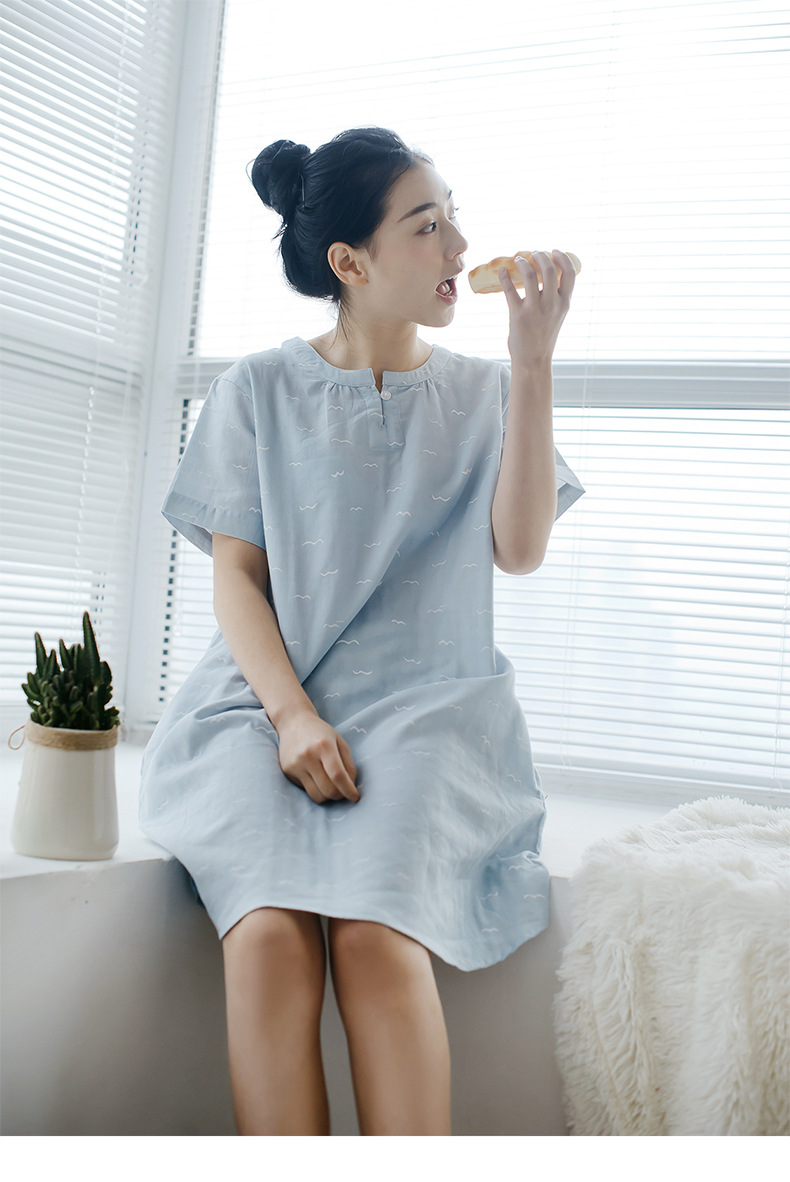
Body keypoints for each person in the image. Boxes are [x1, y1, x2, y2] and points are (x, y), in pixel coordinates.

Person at [138, 126, 585, 1136]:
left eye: (454, 218)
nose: (459, 246)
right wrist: (292, 716)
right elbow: (236, 580)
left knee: (378, 938)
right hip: (259, 706)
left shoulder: (485, 392)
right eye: (427, 226)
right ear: (350, 262)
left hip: (431, 707)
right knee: (265, 940)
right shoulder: (256, 389)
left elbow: (519, 549)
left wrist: (533, 364)